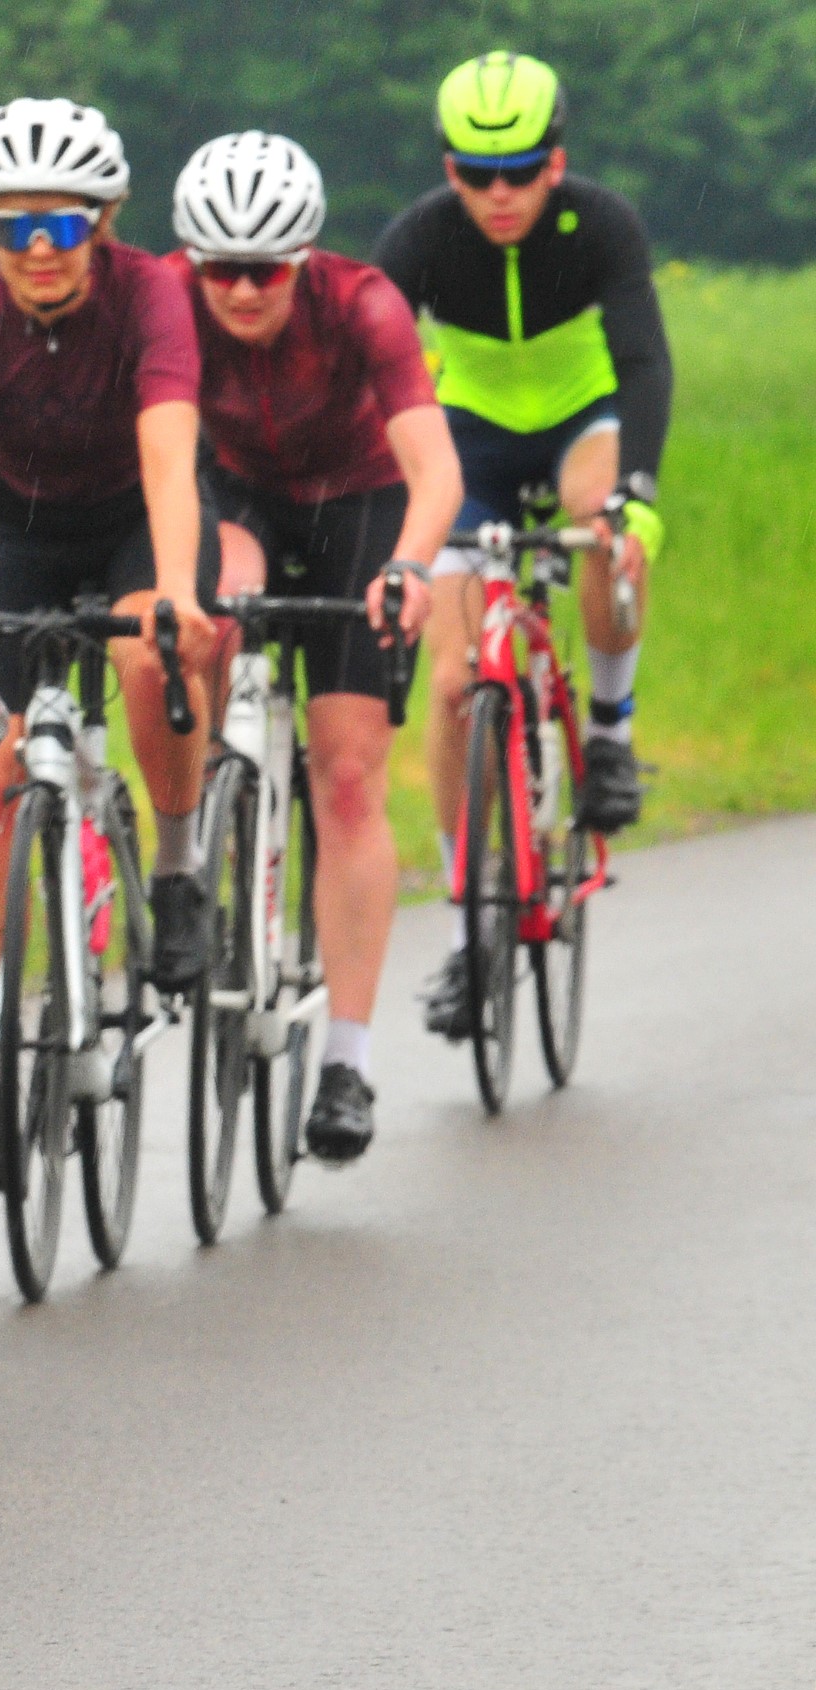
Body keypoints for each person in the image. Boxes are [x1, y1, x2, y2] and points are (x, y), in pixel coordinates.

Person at [0, 98, 219, 1191]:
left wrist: (177, 591)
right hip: (16, 531)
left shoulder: (150, 293)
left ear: (103, 223)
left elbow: (170, 450)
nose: (39, 250)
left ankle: (179, 865)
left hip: (129, 519)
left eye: (61, 225)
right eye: (14, 227)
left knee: (154, 655)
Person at [170, 132, 462, 1163]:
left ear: (303, 259)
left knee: (345, 778)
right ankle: (213, 800)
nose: (244, 290)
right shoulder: (168, 303)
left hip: (359, 503)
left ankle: (345, 1057)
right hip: (240, 492)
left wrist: (410, 567)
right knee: (216, 604)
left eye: (267, 269)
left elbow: (435, 469)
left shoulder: (363, 304)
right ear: (192, 262)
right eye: (222, 269)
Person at [374, 51, 670, 1040]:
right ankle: (469, 926)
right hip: (472, 438)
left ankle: (610, 733)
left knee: (601, 527)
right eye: (476, 173)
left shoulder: (603, 224)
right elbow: (373, 376)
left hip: (582, 422)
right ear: (448, 169)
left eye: (521, 171)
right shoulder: (418, 239)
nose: (499, 194)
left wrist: (635, 500)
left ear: (557, 161)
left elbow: (643, 361)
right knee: (455, 685)